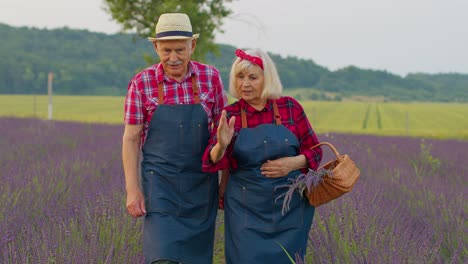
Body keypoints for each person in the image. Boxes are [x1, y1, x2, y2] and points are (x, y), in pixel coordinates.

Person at [122, 13, 228, 264]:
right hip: (160, 186)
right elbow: (131, 139)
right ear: (156, 47)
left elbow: (223, 136)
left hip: (201, 186)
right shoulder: (141, 82)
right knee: (162, 257)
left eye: (180, 49)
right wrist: (132, 190)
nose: (173, 57)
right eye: (166, 50)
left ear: (193, 45)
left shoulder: (210, 78)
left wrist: (225, 184)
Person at [202, 49, 323, 263]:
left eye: (252, 77)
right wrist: (221, 144)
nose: (245, 84)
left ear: (267, 79)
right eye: (240, 77)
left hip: (290, 209)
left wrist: (294, 162)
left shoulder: (290, 108)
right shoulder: (230, 115)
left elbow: (315, 150)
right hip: (245, 211)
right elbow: (211, 161)